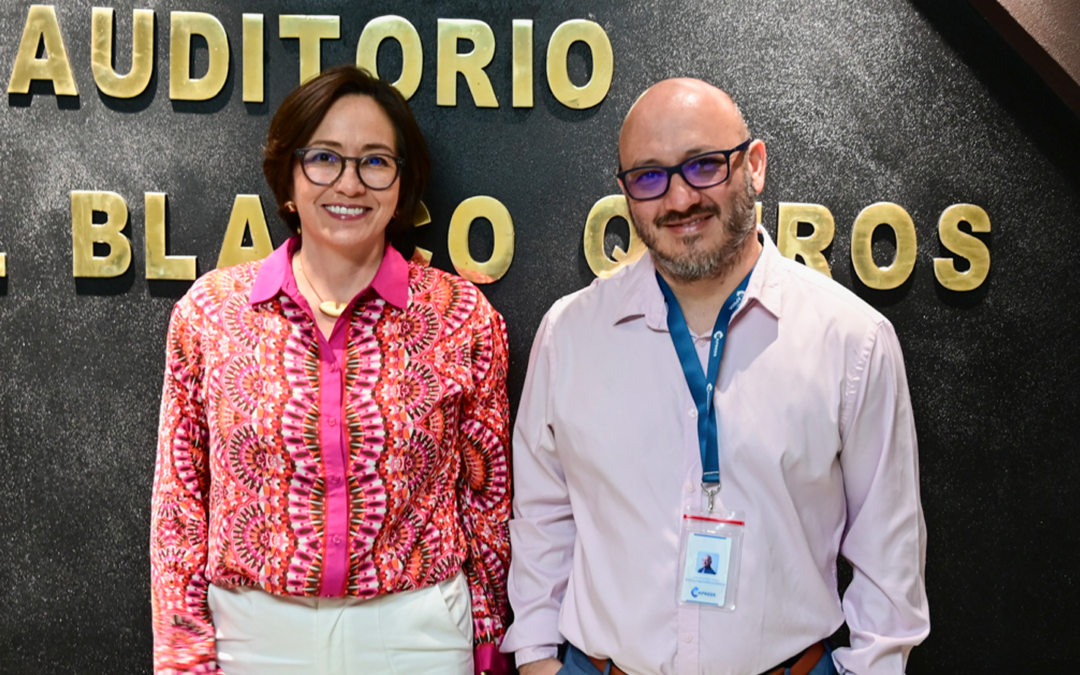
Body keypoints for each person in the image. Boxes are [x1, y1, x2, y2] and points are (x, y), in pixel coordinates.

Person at [502, 78, 928, 675]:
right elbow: (544, 515)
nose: (678, 199)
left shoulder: (851, 341)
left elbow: (890, 557)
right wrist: (538, 658)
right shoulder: (570, 334)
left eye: (703, 165)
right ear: (626, 193)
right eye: (649, 176)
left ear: (754, 165)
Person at [151, 66, 511, 675]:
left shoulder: (461, 317)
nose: (350, 183)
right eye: (324, 158)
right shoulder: (211, 313)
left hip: (415, 632)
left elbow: (486, 498)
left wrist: (487, 636)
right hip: (253, 633)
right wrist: (184, 651)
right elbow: (181, 502)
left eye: (375, 161)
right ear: (289, 177)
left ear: (401, 183)